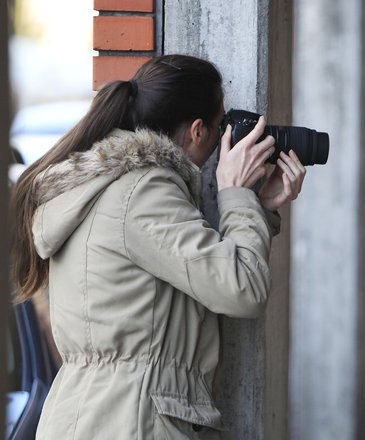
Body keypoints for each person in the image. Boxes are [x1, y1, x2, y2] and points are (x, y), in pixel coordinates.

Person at [10, 54, 306, 439]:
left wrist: (257, 208)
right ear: (198, 130)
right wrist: (234, 193)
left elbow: (203, 278)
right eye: (220, 130)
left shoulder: (114, 187)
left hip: (101, 418)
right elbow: (242, 290)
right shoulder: (143, 192)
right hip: (129, 422)